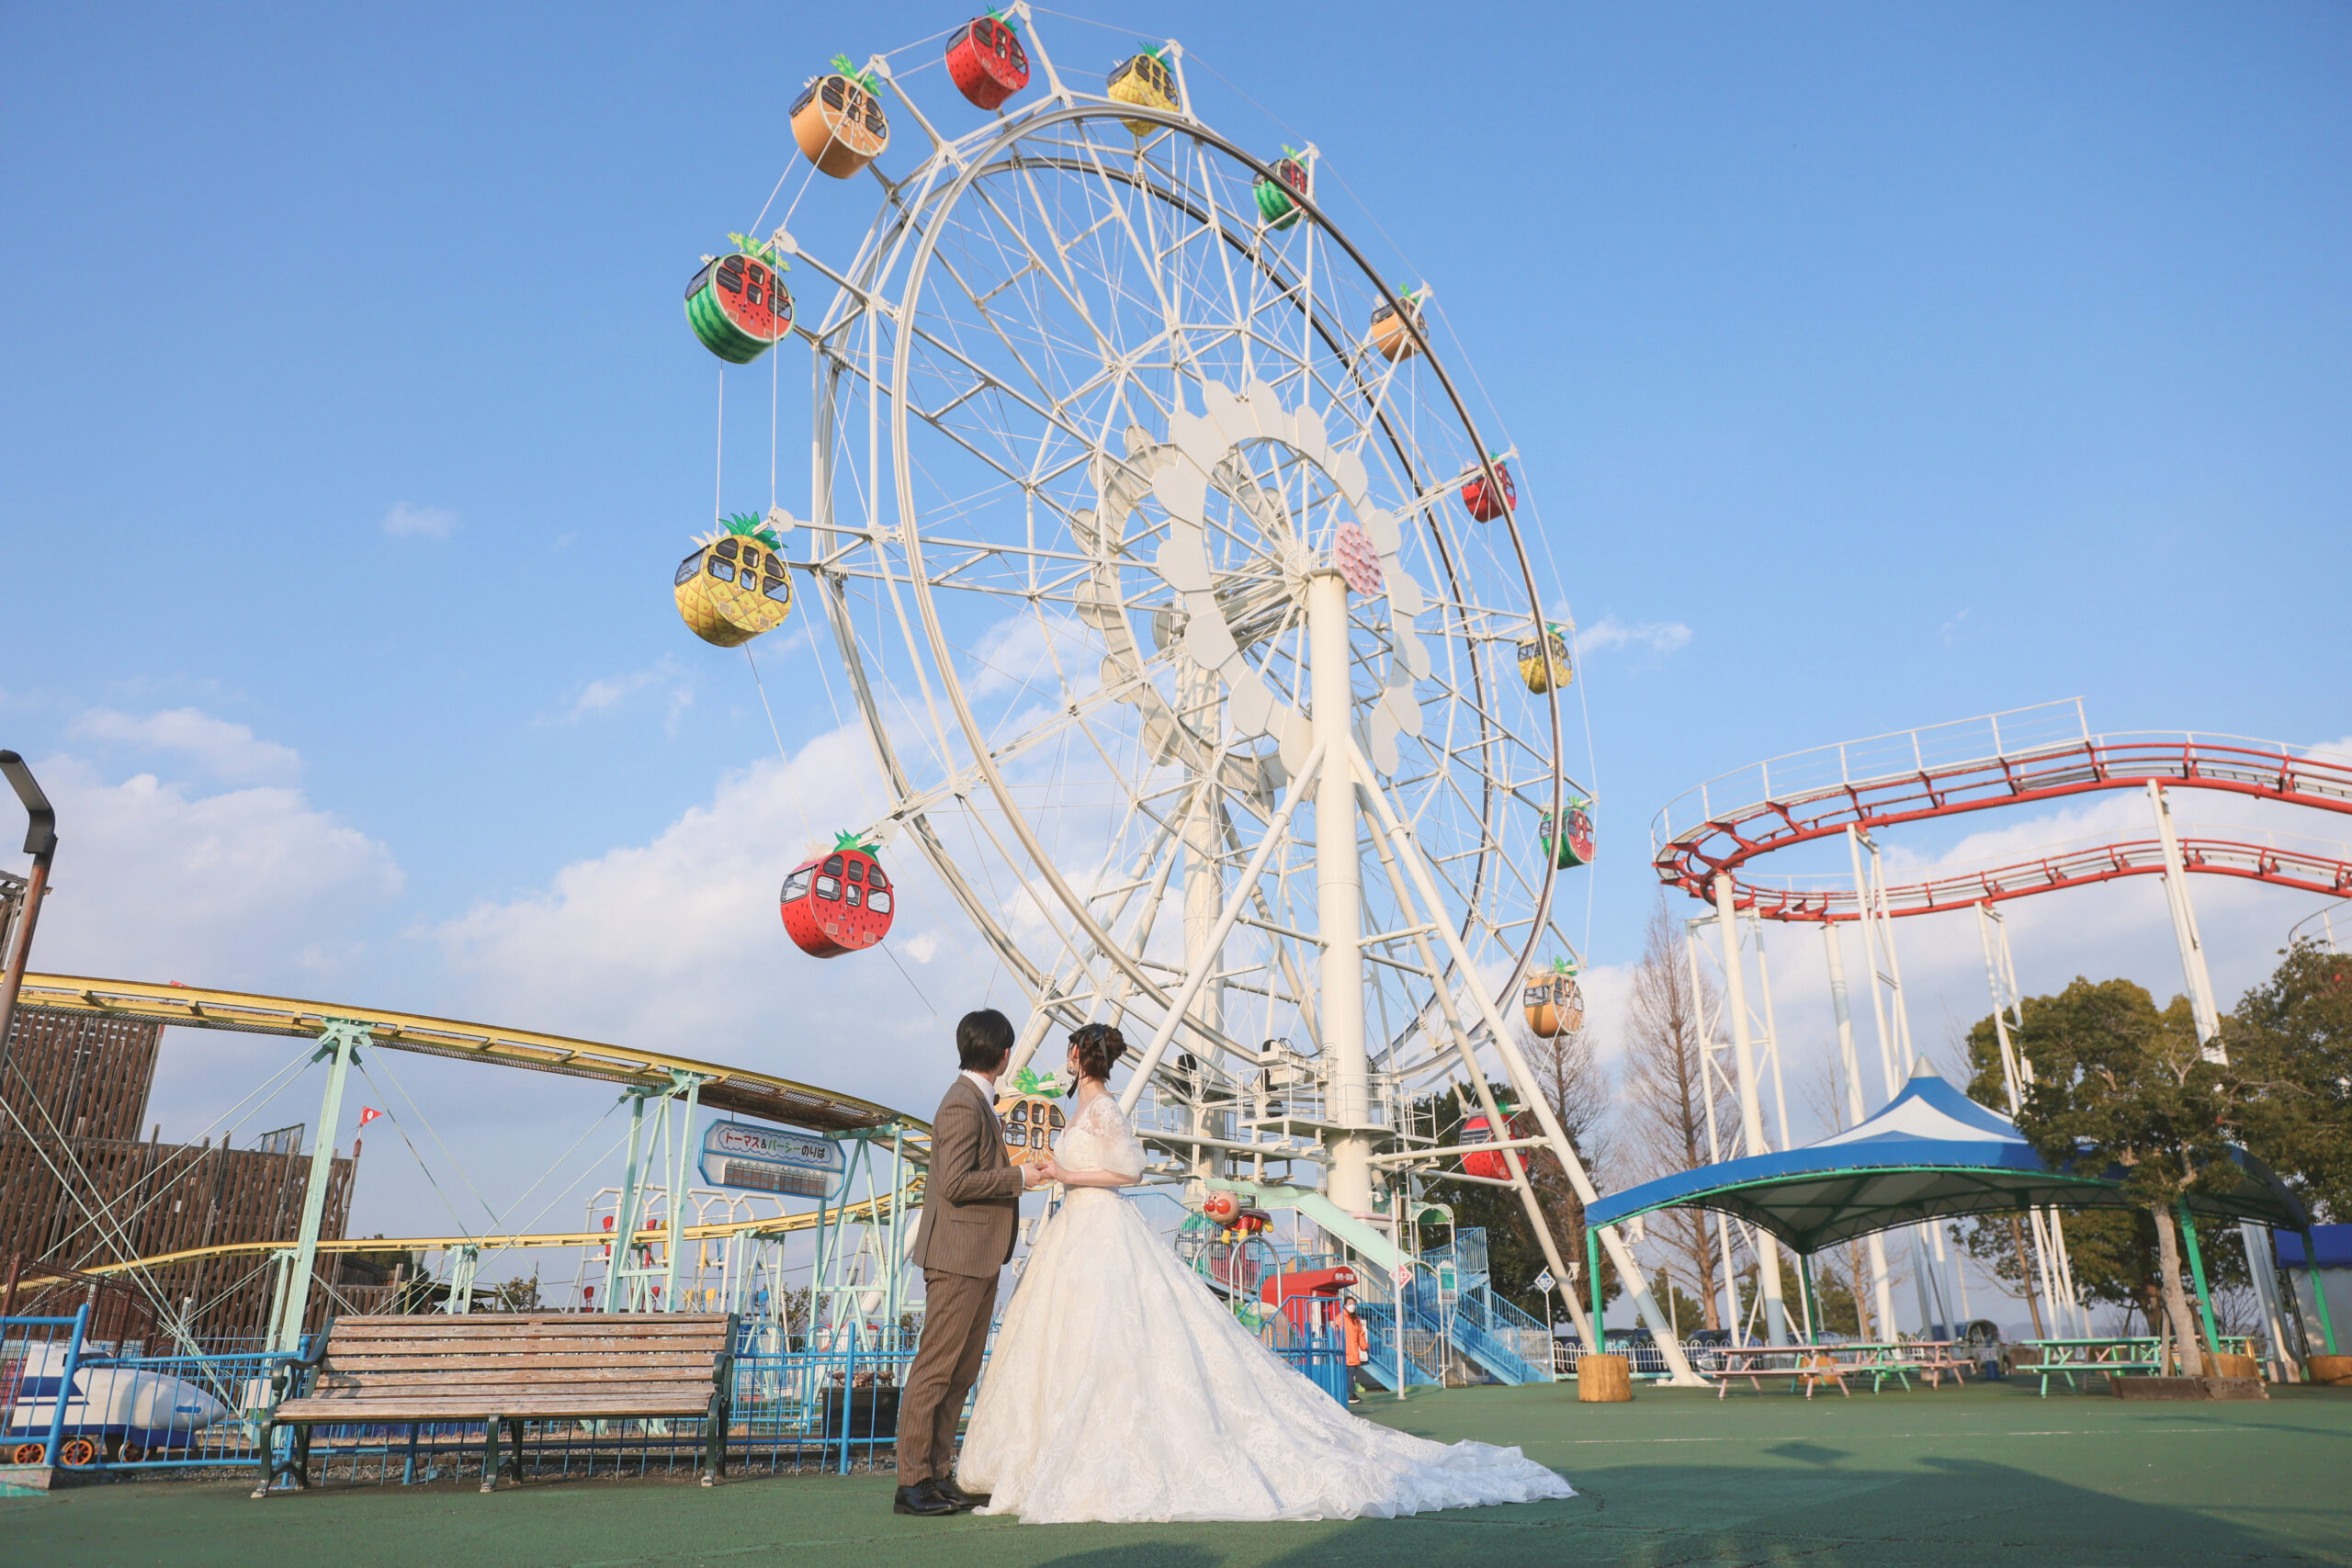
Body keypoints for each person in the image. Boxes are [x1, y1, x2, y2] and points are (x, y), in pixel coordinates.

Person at [956, 1021, 1574, 1523]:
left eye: (1069, 1050)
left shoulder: (1106, 1111)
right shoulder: (1082, 1112)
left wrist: (1067, 1174)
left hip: (1098, 1225)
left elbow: (1129, 1172)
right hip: (1075, 1233)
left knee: (1108, 1341)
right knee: (1069, 1344)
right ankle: (1046, 1450)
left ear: (1075, 1056)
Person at [893, 1009, 1055, 1517]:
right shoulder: (963, 1105)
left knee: (959, 1372)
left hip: (978, 1257)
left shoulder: (975, 1101)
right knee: (935, 1369)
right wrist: (1020, 1178)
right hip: (958, 1256)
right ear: (1004, 1055)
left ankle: (937, 1473)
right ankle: (912, 1480)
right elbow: (959, 1183)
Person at [1341, 1298, 1378, 1404]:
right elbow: (1336, 1334)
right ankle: (1350, 1395)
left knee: (1350, 1373)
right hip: (1344, 1351)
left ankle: (1350, 1395)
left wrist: (1365, 1346)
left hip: (1353, 1352)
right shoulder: (1341, 1318)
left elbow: (1360, 1335)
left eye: (1354, 1304)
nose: (1352, 1306)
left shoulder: (1356, 1319)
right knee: (1349, 1373)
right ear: (1344, 1305)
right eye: (1350, 1304)